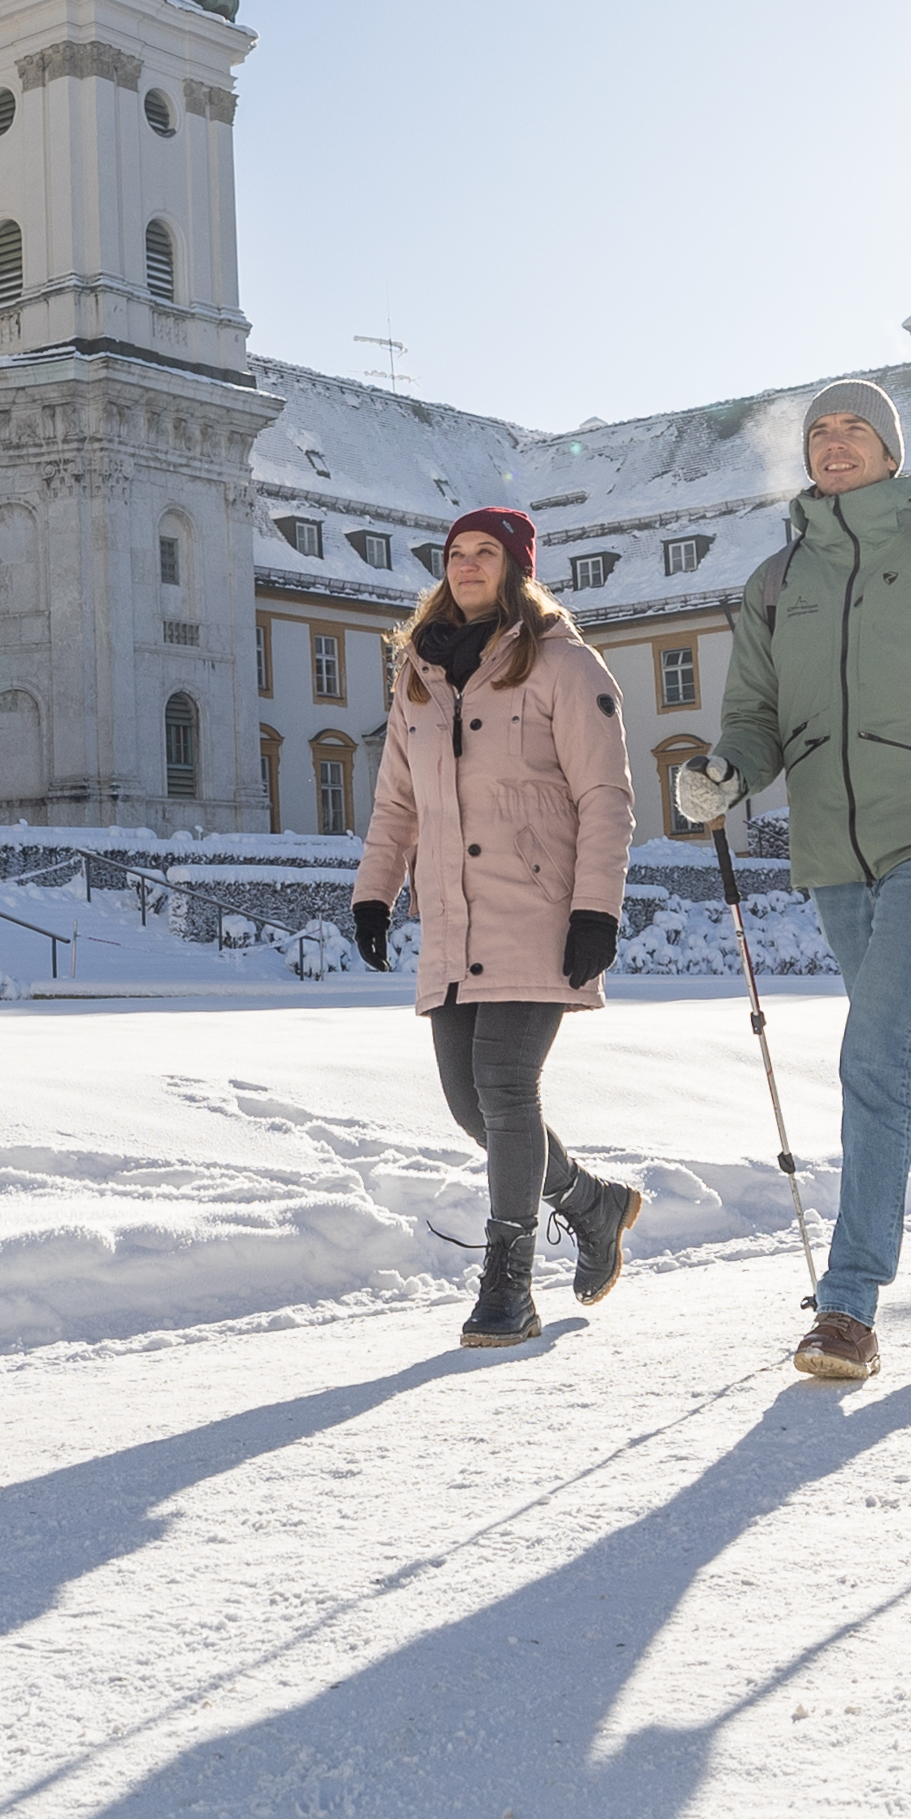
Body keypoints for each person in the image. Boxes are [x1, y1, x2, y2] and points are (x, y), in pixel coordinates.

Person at [665, 380, 911, 1382]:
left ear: (891, 451)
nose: (834, 443)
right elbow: (754, 719)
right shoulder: (774, 584)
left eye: (855, 429)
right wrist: (727, 770)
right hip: (833, 853)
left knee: (877, 1058)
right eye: (819, 432)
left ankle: (847, 1305)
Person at [354, 509, 652, 1346]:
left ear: (518, 569)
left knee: (505, 1083)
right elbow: (397, 800)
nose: (467, 565)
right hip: (451, 917)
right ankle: (592, 1203)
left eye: (486, 552)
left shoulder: (563, 662)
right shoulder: (419, 671)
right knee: (469, 1104)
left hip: (539, 909)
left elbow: (606, 796)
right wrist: (374, 893)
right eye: (456, 554)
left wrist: (597, 909)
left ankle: (508, 1282)